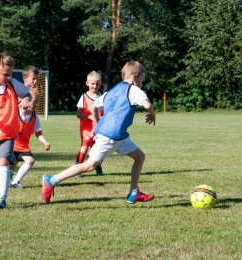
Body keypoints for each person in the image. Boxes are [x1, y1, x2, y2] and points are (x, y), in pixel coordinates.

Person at [42, 60, 156, 204]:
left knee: (140, 157)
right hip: (110, 136)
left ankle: (134, 193)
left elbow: (95, 106)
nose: (142, 83)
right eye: (142, 80)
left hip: (119, 136)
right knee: (89, 166)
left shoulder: (112, 91)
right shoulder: (134, 90)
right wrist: (152, 114)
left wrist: (97, 126)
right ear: (134, 77)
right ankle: (51, 180)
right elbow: (147, 105)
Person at [0, 52, 32, 209]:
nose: (9, 77)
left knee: (3, 163)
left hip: (8, 133)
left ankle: (1, 199)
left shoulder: (13, 85)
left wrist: (25, 99)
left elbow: (28, 94)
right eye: (5, 74)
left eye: (10, 74)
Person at [10, 87, 50, 188]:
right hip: (11, 145)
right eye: (34, 101)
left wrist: (45, 142)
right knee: (9, 168)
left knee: (30, 160)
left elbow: (38, 132)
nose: (37, 104)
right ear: (26, 100)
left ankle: (15, 182)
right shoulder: (15, 111)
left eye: (37, 102)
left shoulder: (34, 116)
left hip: (23, 147)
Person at [75, 71, 104, 176]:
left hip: (99, 130)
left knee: (98, 150)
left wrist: (103, 117)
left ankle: (98, 166)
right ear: (87, 83)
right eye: (92, 84)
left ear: (100, 84)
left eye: (97, 84)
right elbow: (78, 114)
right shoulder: (84, 97)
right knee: (84, 147)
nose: (95, 86)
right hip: (86, 130)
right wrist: (90, 116)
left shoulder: (102, 97)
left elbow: (105, 112)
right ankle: (78, 167)